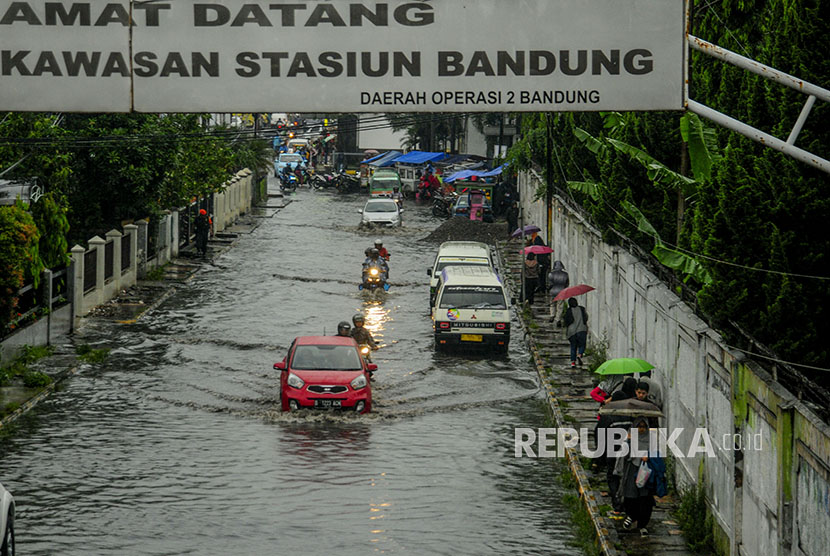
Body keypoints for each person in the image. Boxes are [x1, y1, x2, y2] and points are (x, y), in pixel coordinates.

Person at [617, 417, 657, 537]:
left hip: (646, 471)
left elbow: (656, 453)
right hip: (632, 470)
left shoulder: (651, 439)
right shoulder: (629, 438)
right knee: (631, 496)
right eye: (639, 427)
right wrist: (628, 442)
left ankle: (642, 525)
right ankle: (631, 516)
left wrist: (648, 456)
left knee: (645, 499)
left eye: (644, 427)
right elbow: (623, 454)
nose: (641, 430)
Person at [564, 297, 588, 367]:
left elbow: (566, 321)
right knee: (582, 344)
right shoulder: (582, 309)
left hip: (572, 331)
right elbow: (586, 318)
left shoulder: (568, 311)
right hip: (582, 329)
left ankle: (573, 363)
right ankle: (580, 354)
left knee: (573, 346)